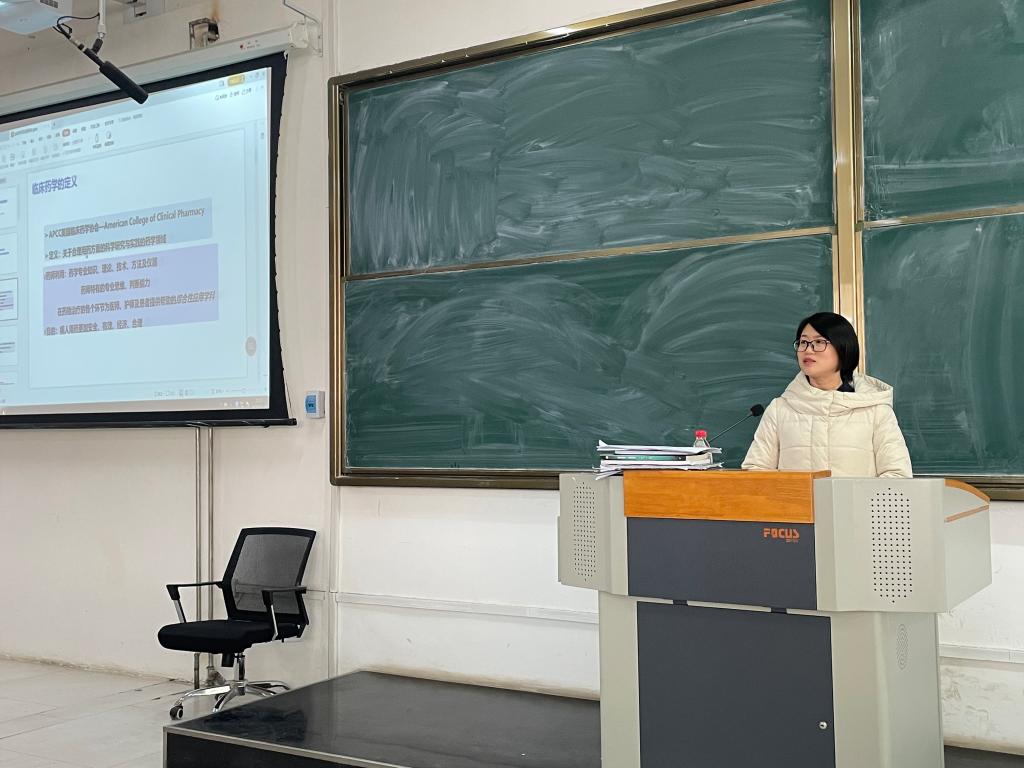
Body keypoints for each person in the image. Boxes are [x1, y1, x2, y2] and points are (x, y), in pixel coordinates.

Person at [742, 312, 912, 478]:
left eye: (818, 342)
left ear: (842, 348)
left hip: (858, 499)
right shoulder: (780, 410)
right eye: (803, 342)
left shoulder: (875, 410)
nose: (808, 350)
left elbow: (897, 474)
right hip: (794, 499)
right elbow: (756, 472)